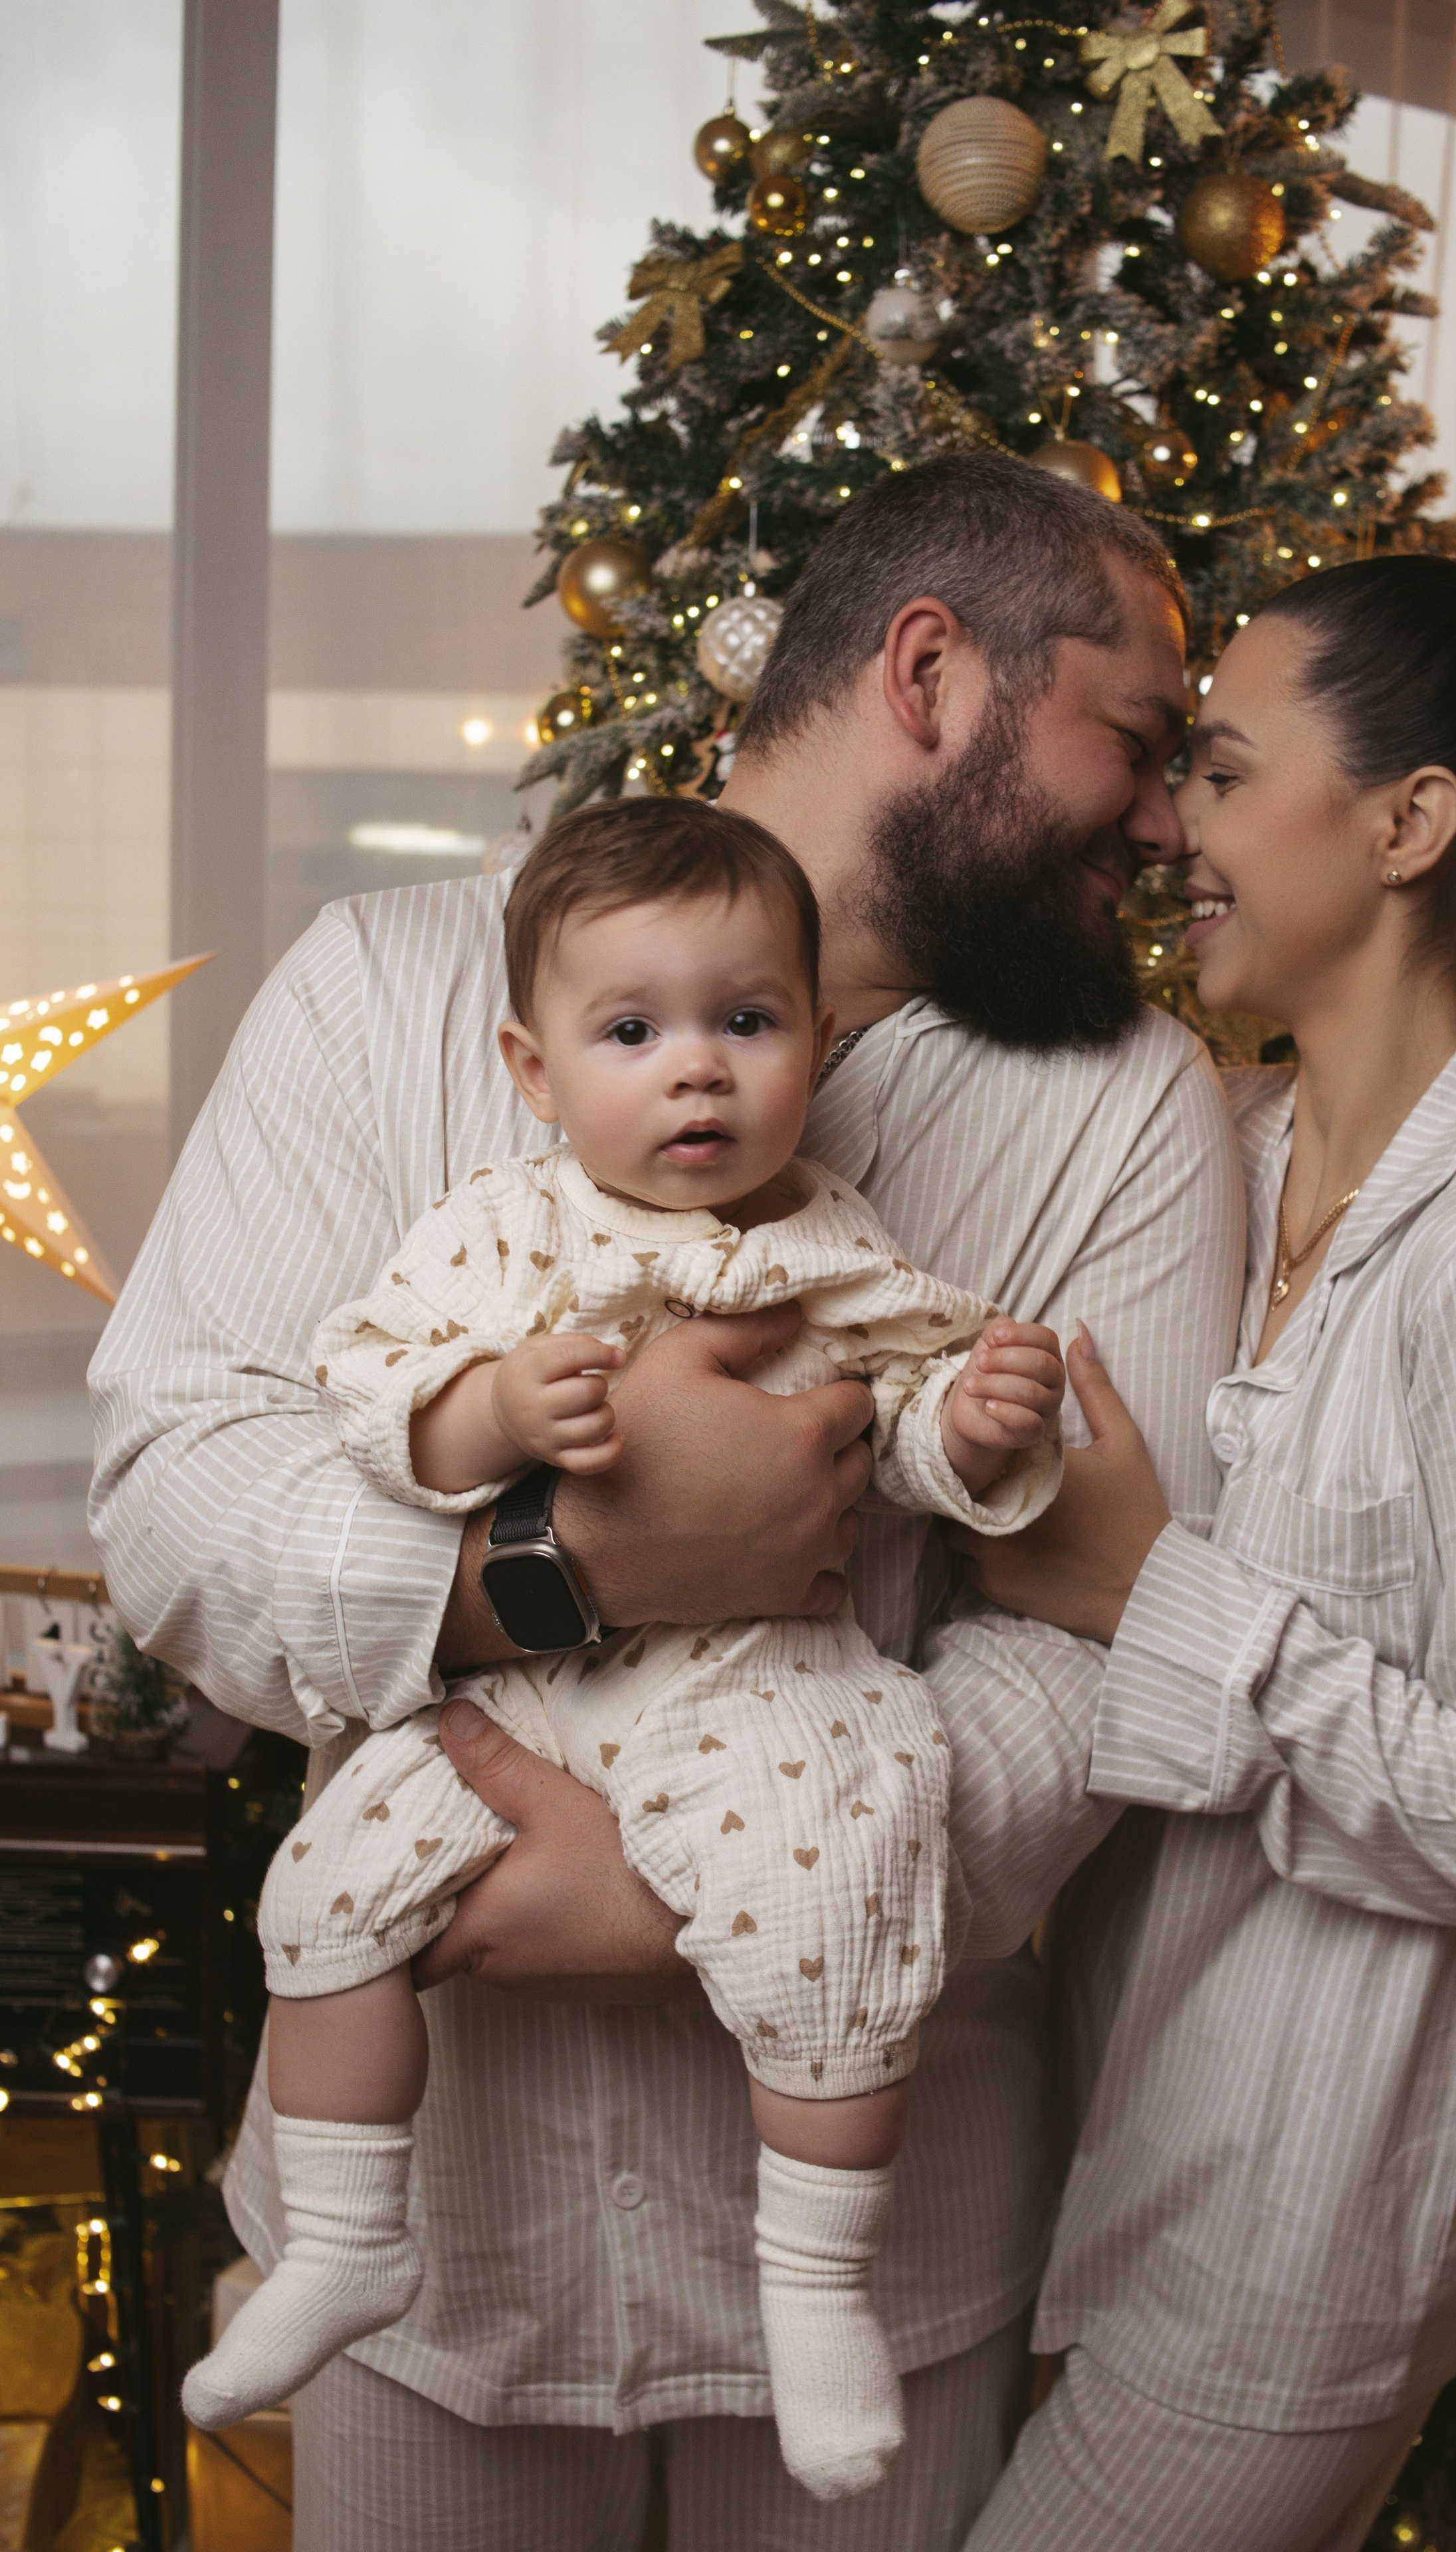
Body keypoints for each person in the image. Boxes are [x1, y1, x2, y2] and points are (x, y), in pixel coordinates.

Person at [89, 452, 1243, 2549]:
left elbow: (1106, 1647)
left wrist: (695, 1895)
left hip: (885, 2269)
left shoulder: (1134, 1111)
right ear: (929, 672)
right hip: (444, 2257)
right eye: (1139, 741)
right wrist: (555, 1571)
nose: (1169, 823)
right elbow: (180, 1483)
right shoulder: (389, 992)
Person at [182, 796, 1068, 2502]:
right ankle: (350, 2238)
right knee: (326, 1897)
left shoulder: (836, 1249)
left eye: (747, 1024)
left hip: (752, 1689)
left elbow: (893, 1441)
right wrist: (489, 1406)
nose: (697, 1074)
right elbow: (371, 1389)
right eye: (633, 1033)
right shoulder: (498, 1231)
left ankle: (814, 2290)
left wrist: (972, 1421)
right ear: (533, 1068)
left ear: (815, 1039)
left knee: (834, 1883)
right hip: (520, 1692)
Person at [950, 557, 1456, 2552]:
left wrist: (1156, 1600)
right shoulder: (1226, 1148)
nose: (1166, 820)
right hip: (1117, 2145)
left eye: (1218, 764)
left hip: (1306, 2230)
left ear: (1408, 822)